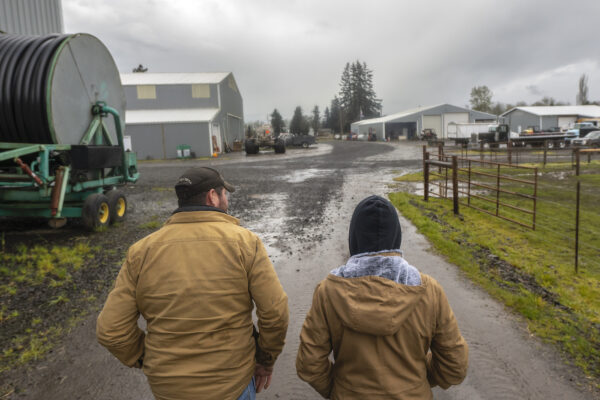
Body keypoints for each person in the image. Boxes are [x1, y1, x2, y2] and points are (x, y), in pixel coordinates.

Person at [97, 167, 289, 400]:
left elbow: (111, 330)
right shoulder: (245, 243)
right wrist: (265, 361)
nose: (226, 200)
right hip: (231, 385)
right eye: (224, 194)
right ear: (212, 196)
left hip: (169, 390)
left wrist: (146, 358)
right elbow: (275, 311)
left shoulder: (141, 252)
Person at [296, 195, 468, 399]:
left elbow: (309, 364)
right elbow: (455, 365)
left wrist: (337, 389)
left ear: (354, 238)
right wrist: (417, 381)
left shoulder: (328, 291)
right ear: (396, 237)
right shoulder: (429, 291)